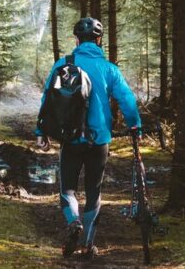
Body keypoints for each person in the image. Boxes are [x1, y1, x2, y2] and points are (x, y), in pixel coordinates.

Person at [35, 17, 142, 259]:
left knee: (68, 190)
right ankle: (87, 244)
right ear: (99, 40)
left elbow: (47, 100)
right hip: (99, 140)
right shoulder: (109, 69)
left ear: (76, 40)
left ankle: (73, 221)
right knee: (94, 192)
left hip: (70, 138)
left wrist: (41, 132)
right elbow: (127, 100)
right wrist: (135, 125)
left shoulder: (64, 63)